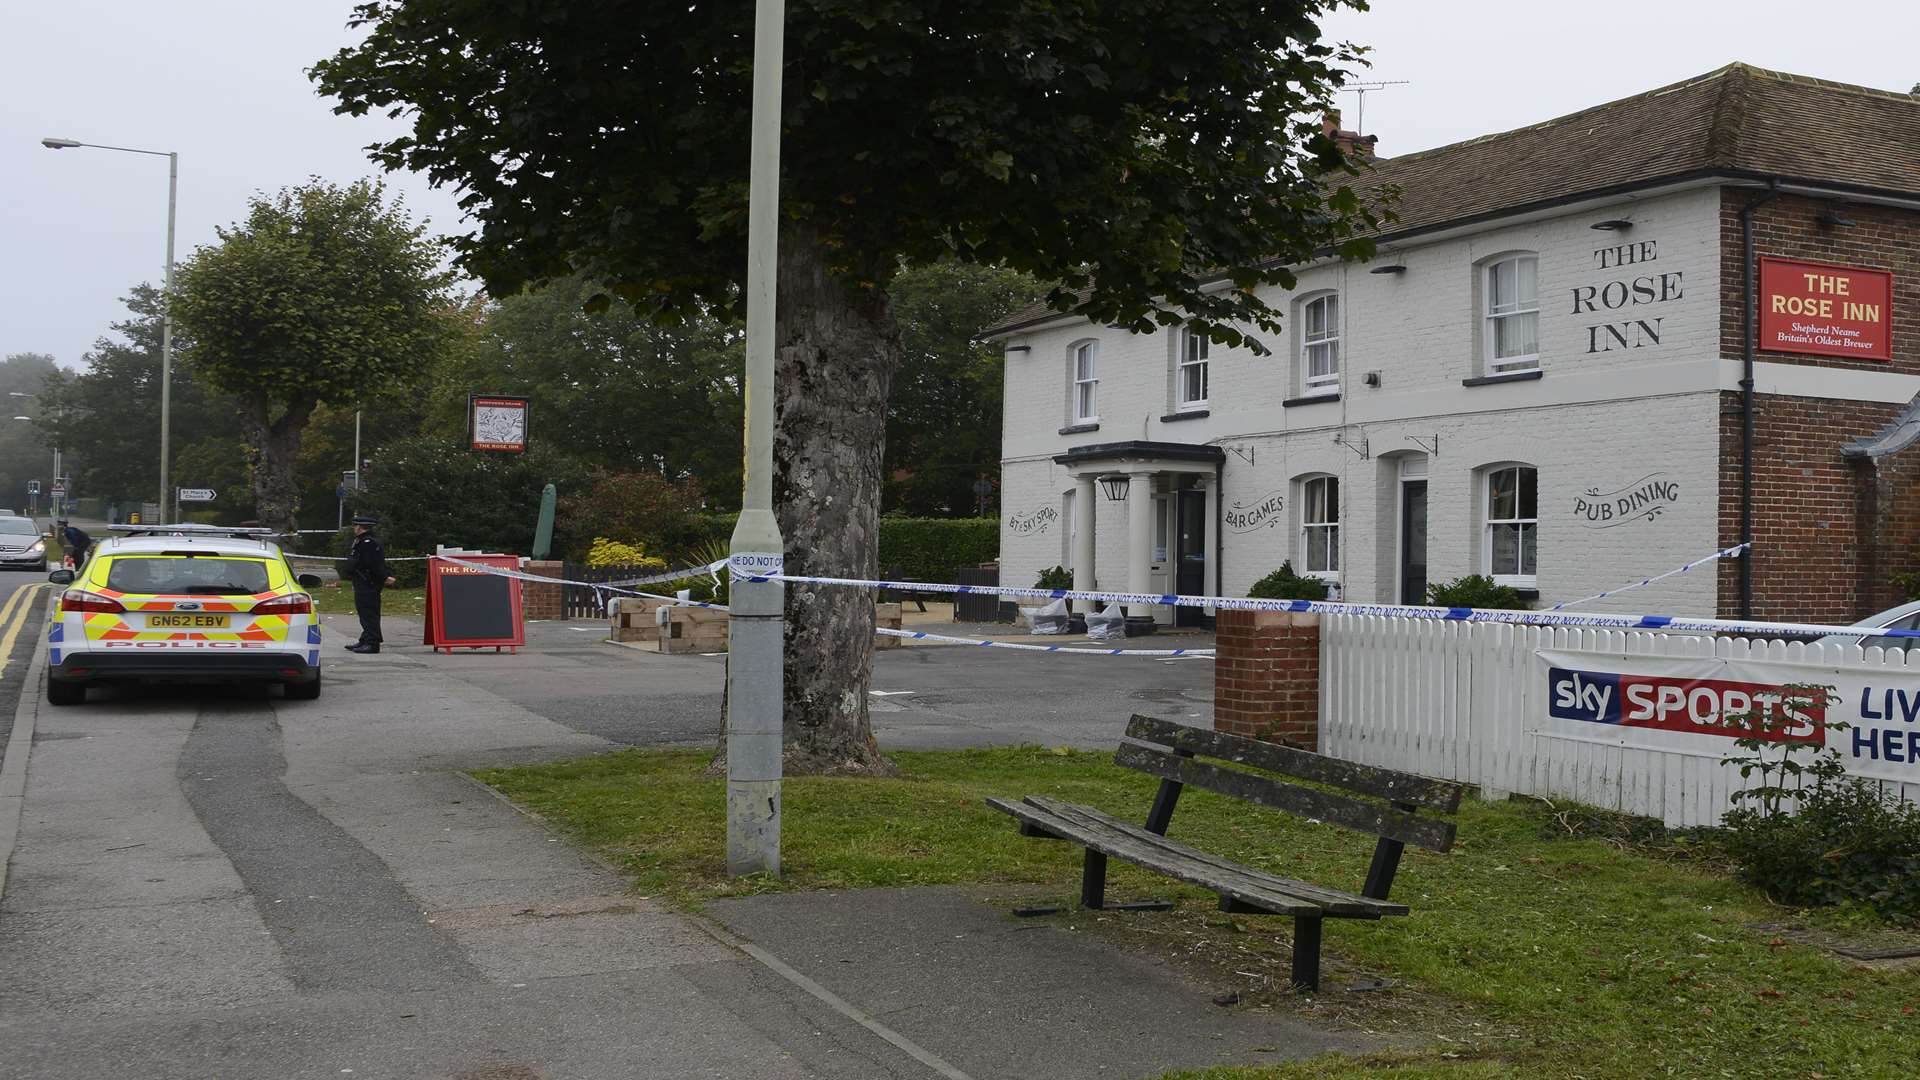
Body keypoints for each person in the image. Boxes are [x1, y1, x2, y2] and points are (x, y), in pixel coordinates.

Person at [339, 514, 395, 654]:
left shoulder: (369, 542)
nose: (354, 528)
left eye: (355, 525)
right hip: (362, 581)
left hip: (368, 582)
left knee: (369, 613)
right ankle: (365, 639)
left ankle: (372, 643)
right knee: (364, 612)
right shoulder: (361, 541)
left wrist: (384, 577)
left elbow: (374, 564)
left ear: (359, 527)